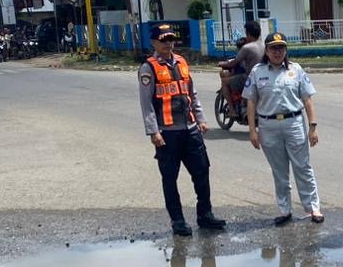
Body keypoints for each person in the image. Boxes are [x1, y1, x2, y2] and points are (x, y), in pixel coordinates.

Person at [138, 23, 227, 237]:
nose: (168, 43)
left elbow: (192, 94)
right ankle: (177, 220)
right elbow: (146, 103)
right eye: (163, 40)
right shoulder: (148, 68)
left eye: (171, 39)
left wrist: (201, 119)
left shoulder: (182, 62)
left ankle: (205, 215)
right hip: (167, 133)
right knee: (170, 178)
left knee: (202, 171)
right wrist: (153, 132)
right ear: (154, 42)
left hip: (190, 128)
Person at [244, 31, 324, 225]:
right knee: (279, 171)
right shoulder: (257, 71)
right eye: (273, 48)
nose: (278, 52)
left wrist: (313, 126)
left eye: (281, 48)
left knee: (303, 167)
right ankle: (284, 210)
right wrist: (252, 131)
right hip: (268, 125)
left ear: (286, 50)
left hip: (293, 123)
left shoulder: (296, 70)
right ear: (267, 51)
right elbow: (251, 103)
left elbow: (307, 99)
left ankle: (313, 208)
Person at [220, 19, 264, 97]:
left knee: (225, 82)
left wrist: (221, 63)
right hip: (263, 77)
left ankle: (231, 108)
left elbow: (233, 63)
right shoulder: (265, 45)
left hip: (249, 78)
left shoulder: (246, 47)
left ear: (248, 34)